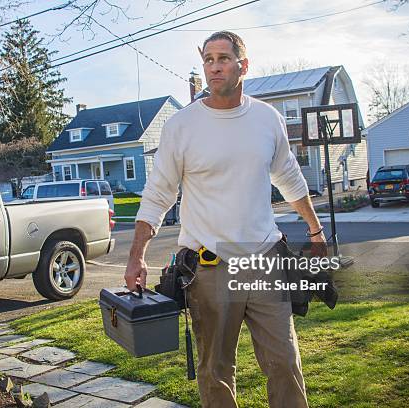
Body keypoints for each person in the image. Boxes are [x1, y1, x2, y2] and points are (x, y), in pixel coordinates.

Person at [124, 31, 326, 408]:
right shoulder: (181, 126)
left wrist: (315, 230)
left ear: (242, 65)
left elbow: (290, 178)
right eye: (208, 60)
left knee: (285, 362)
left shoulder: (267, 118)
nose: (214, 67)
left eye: (223, 59)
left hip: (264, 258)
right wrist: (137, 255)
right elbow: (158, 195)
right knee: (215, 372)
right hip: (208, 266)